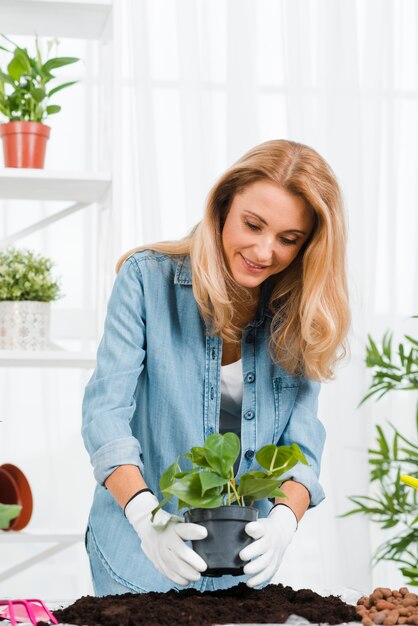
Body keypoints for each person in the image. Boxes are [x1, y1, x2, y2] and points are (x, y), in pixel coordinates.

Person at [82, 139, 350, 596]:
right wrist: (147, 518)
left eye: (289, 239)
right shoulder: (147, 280)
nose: (265, 252)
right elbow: (104, 415)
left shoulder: (300, 313)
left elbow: (301, 442)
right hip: (138, 551)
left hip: (240, 564)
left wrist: (285, 518)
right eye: (253, 224)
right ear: (223, 207)